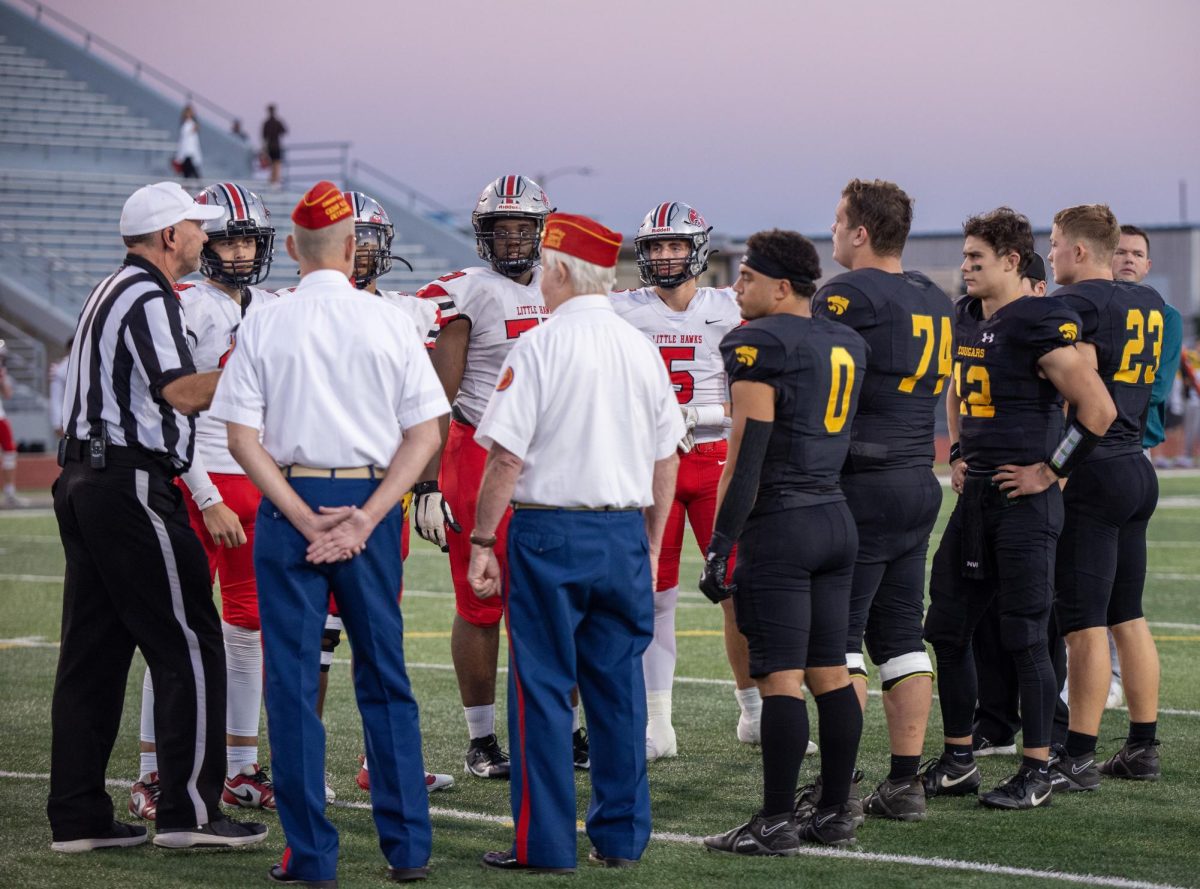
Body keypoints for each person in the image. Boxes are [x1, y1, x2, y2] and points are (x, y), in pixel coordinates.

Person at [211, 181, 446, 884]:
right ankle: (407, 848)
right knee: (386, 677)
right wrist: (368, 516)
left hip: (290, 504)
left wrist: (301, 511)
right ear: (352, 248)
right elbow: (426, 434)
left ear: (289, 249)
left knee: (290, 682)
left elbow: (243, 438)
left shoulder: (266, 319)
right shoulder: (392, 321)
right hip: (369, 502)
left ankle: (311, 853)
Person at [49, 181, 268, 852]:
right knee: (194, 642)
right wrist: (255, 371)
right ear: (169, 235)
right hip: (129, 479)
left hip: (87, 477)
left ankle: (79, 816)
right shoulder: (147, 295)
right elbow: (181, 392)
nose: (205, 236)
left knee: (94, 653)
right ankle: (190, 811)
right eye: (196, 227)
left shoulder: (112, 287)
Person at [466, 211, 683, 873]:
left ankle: (546, 842)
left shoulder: (540, 344)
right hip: (621, 531)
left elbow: (505, 459)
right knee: (619, 692)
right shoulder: (639, 346)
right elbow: (667, 455)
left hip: (548, 531)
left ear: (559, 267)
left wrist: (480, 537)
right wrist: (649, 542)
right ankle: (620, 837)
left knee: (542, 689)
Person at [923, 207, 1116, 811]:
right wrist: (957, 450)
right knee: (947, 628)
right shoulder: (964, 317)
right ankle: (959, 759)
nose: (965, 268)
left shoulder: (1039, 319)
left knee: (1027, 636)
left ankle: (1036, 768)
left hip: (1022, 504)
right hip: (976, 495)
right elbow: (957, 388)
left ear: (1011, 262)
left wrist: (1050, 470)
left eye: (976, 259)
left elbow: (1098, 410)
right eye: (964, 257)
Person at [414, 175, 590, 779]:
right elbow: (440, 396)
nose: (512, 238)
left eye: (522, 227)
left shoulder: (562, 283)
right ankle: (482, 738)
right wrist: (427, 482)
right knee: (481, 600)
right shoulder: (468, 293)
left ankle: (565, 729)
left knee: (553, 600)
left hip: (556, 453)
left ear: (542, 230)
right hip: (481, 451)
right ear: (481, 232)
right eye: (500, 227)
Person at [701, 229, 868, 855]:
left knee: (780, 679)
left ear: (780, 285)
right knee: (831, 673)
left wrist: (722, 543)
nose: (736, 288)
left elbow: (747, 453)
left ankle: (773, 820)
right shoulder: (845, 340)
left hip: (782, 523)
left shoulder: (756, 342)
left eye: (746, 277)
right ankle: (833, 813)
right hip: (835, 516)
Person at [128, 182, 279, 822]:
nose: (241, 251)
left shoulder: (272, 306)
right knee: (176, 632)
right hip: (199, 481)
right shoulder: (185, 305)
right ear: (202, 242)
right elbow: (173, 408)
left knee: (248, 633)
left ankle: (240, 768)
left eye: (249, 239)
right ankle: (152, 773)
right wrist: (205, 491)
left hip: (257, 477)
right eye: (228, 238)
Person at [807, 179, 951, 823]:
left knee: (837, 641)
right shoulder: (933, 295)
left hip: (861, 480)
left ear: (861, 232)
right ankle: (904, 782)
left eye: (839, 222)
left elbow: (819, 384)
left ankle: (836, 793)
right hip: (920, 476)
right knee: (901, 636)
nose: (833, 231)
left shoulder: (845, 294)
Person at [610, 201, 756, 760]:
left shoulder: (730, 304)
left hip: (718, 460)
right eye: (655, 247)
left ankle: (754, 713)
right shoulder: (623, 309)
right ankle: (658, 724)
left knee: (738, 590)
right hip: (653, 463)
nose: (665, 256)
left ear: (696, 250)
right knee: (655, 594)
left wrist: (706, 415)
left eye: (675, 245)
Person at [336, 190, 455, 796]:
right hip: (316, 487)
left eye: (368, 239)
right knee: (313, 637)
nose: (358, 252)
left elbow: (428, 408)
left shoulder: (410, 313)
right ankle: (268, 762)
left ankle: (378, 760)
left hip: (385, 493)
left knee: (378, 631)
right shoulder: (289, 309)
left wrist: (429, 484)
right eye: (347, 237)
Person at [1047, 206, 1166, 788]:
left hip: (1094, 468)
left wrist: (1056, 468)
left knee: (1084, 623)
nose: (1049, 255)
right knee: (1128, 615)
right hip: (1137, 465)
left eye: (1054, 243)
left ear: (1078, 250)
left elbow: (1082, 395)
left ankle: (1078, 755)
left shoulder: (1079, 306)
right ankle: (1142, 745)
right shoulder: (1147, 303)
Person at [0, 339, 28, 507]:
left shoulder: (2, 371)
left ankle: (10, 493)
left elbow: (8, 394)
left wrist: (2, 379)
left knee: (10, 452)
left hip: (0, 416)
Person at [261, 104, 287, 186]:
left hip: (270, 147)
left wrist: (264, 149)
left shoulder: (267, 123)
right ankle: (275, 181)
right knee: (276, 164)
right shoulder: (277, 122)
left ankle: (273, 181)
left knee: (273, 165)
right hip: (276, 146)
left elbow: (264, 137)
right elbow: (284, 131)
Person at [175, 105, 202, 180]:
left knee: (191, 172)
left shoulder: (192, 124)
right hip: (186, 151)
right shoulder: (185, 125)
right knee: (187, 172)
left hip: (191, 151)